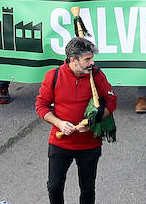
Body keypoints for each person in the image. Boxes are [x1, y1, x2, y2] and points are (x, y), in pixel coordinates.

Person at [36, 36, 117, 204]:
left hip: (89, 144)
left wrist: (93, 122)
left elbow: (111, 101)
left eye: (92, 58)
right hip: (60, 142)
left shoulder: (96, 75)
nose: (92, 63)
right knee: (54, 187)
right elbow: (41, 106)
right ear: (73, 60)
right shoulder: (54, 76)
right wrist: (59, 123)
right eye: (87, 59)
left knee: (87, 189)